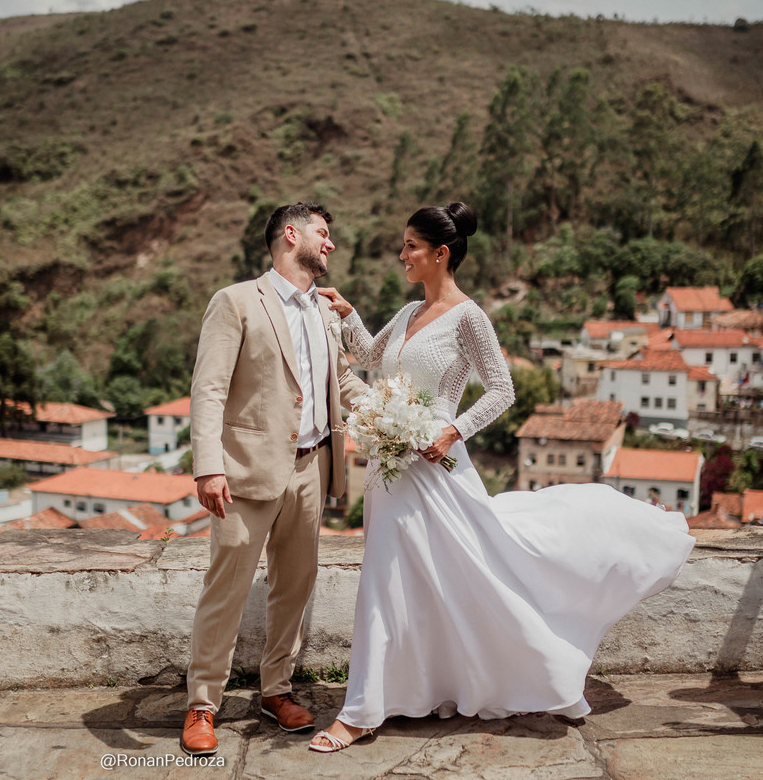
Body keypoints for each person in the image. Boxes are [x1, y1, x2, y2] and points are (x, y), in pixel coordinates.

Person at [308, 202, 695, 753]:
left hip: (437, 465)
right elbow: (370, 356)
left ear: (440, 253)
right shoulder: (407, 311)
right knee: (396, 578)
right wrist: (347, 313)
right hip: (390, 468)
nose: (402, 255)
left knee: (438, 574)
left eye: (411, 246)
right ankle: (415, 690)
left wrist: (452, 431)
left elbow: (501, 390)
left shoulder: (469, 317)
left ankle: (362, 711)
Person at [182, 202, 370, 756]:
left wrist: (394, 414)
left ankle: (276, 690)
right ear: (291, 234)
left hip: (311, 467)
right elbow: (209, 388)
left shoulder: (326, 310)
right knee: (227, 588)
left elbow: (342, 382)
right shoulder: (236, 301)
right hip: (245, 471)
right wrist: (208, 466)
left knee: (295, 585)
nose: (330, 244)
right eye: (322, 233)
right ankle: (202, 703)